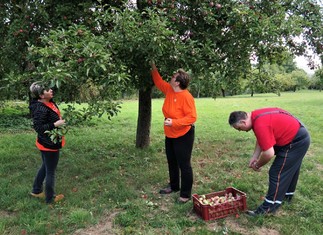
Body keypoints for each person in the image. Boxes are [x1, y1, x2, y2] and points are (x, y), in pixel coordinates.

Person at [228, 107, 310, 216]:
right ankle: (287, 196)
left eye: (239, 128)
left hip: (296, 141)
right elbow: (261, 137)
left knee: (277, 172)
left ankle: (268, 207)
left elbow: (268, 153)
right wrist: (255, 157)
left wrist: (257, 165)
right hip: (299, 135)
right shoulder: (255, 116)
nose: (240, 131)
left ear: (243, 122)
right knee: (289, 168)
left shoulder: (260, 124)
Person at [150, 63, 197, 203]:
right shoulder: (170, 90)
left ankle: (185, 194)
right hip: (170, 133)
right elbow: (158, 82)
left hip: (184, 134)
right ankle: (174, 186)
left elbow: (192, 117)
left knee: (184, 164)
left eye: (173, 77)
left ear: (177, 82)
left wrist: (174, 123)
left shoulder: (186, 97)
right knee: (172, 161)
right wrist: (153, 67)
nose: (171, 78)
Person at [29, 81, 66, 204]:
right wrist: (55, 124)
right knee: (50, 171)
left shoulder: (49, 102)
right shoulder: (40, 109)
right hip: (49, 144)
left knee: (45, 166)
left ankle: (36, 190)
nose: (51, 90)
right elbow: (39, 128)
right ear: (41, 96)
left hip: (47, 142)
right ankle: (50, 198)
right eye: (47, 90)